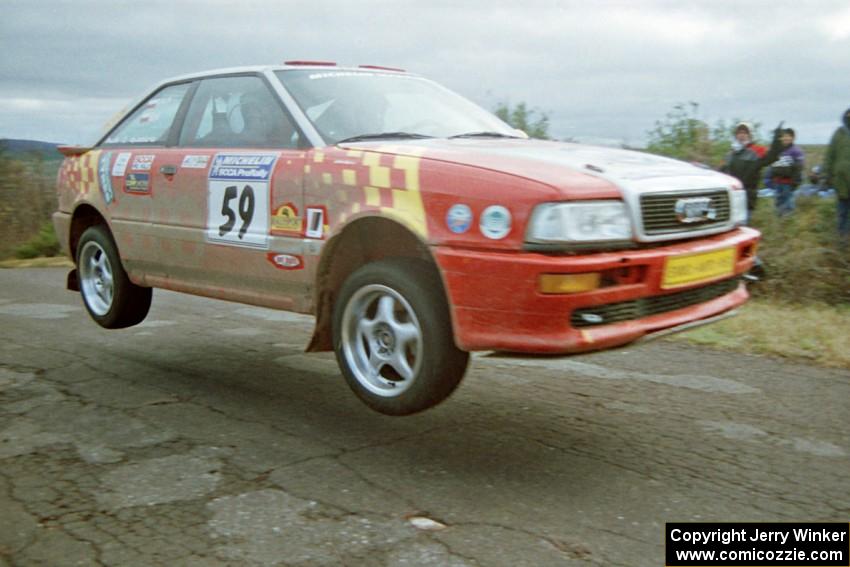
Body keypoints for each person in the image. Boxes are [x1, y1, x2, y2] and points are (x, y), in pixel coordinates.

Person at [721, 121, 783, 225]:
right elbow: (721, 172)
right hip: (731, 195)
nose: (741, 135)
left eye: (745, 132)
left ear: (749, 135)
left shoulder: (757, 150)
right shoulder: (730, 153)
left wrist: (777, 138)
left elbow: (773, 156)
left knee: (743, 226)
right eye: (739, 132)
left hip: (748, 196)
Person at [824, 107, 850, 242]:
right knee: (842, 212)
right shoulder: (839, 133)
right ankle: (841, 240)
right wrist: (826, 176)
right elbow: (830, 155)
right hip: (841, 181)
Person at [769, 128, 805, 216]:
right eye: (783, 136)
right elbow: (772, 163)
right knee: (778, 202)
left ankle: (788, 221)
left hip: (789, 183)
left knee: (788, 204)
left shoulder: (796, 151)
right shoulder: (778, 150)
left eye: (788, 136)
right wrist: (771, 178)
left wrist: (795, 182)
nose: (785, 138)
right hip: (778, 182)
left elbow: (799, 168)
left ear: (792, 138)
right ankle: (779, 221)